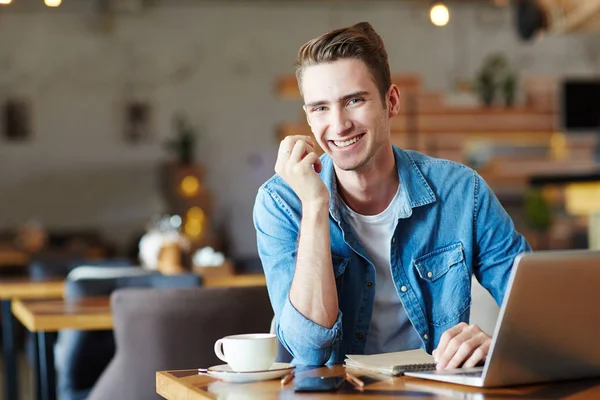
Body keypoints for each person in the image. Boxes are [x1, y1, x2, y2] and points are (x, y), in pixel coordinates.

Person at [253, 22, 531, 369]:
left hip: (432, 390)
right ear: (308, 117)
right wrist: (315, 204)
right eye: (320, 108)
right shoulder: (282, 202)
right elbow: (309, 351)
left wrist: (497, 345)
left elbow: (538, 311)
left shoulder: (462, 192)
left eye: (354, 100)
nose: (339, 126)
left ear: (391, 101)